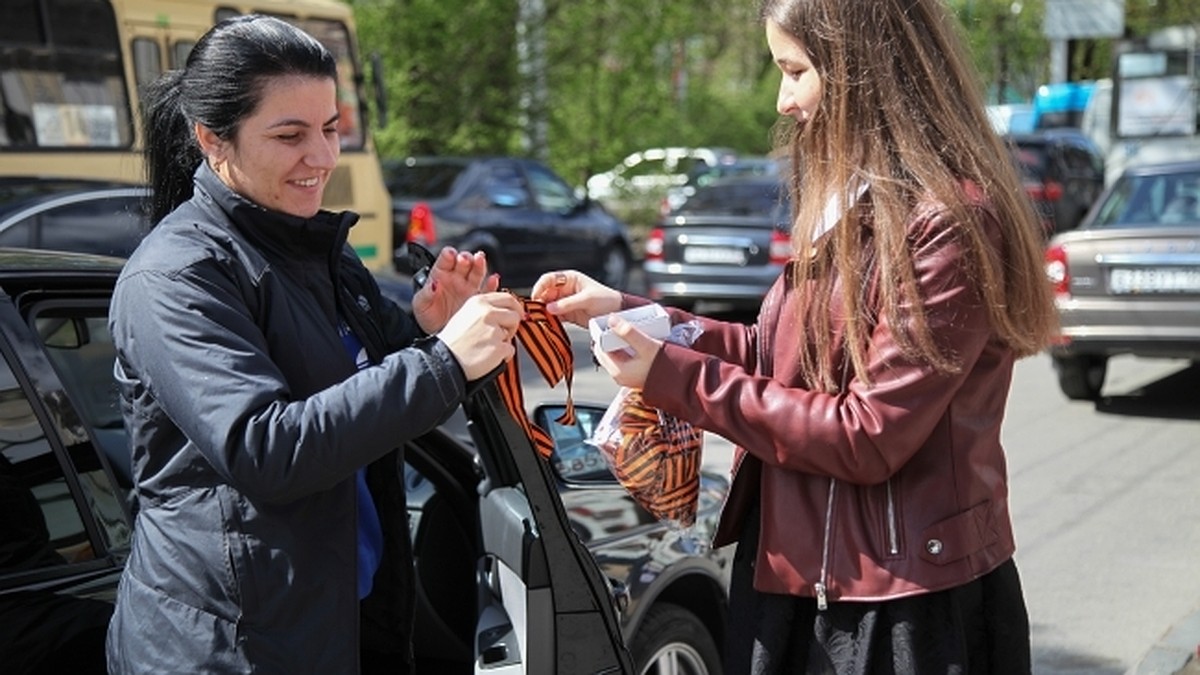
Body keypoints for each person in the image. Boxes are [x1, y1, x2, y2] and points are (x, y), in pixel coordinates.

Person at [532, 0, 1058, 672]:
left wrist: (671, 375)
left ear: (861, 73)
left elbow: (868, 434)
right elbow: (776, 356)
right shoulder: (855, 200)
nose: (783, 100)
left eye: (796, 71)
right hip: (798, 580)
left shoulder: (947, 224)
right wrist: (632, 314)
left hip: (899, 608)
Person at [105, 15, 522, 674]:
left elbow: (369, 396)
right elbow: (264, 447)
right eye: (290, 135)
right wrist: (442, 359)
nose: (324, 158)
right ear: (213, 140)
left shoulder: (316, 247)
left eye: (331, 128)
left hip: (337, 617)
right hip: (229, 645)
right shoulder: (176, 274)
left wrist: (429, 328)